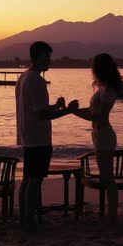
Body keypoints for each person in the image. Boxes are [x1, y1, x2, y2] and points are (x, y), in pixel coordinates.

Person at [15, 41, 79, 229]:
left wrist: (55, 107)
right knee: (35, 180)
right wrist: (68, 110)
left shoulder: (23, 77)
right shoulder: (36, 81)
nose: (49, 61)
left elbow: (36, 109)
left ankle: (25, 218)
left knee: (28, 178)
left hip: (28, 136)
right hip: (38, 138)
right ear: (37, 57)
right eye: (47, 57)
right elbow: (42, 115)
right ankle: (29, 220)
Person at [74, 53, 122, 223]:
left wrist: (75, 114)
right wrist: (76, 111)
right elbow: (92, 111)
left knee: (107, 178)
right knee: (106, 176)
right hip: (98, 134)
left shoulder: (108, 90)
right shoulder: (103, 88)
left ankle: (113, 216)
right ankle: (112, 215)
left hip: (104, 134)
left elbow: (98, 117)